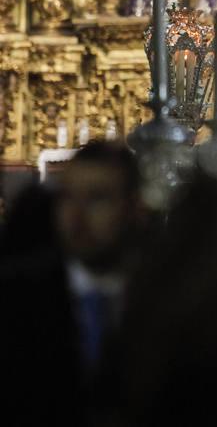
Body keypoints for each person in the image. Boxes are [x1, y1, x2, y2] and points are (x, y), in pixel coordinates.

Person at [0, 141, 145, 427]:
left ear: (133, 207)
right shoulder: (16, 294)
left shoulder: (163, 294)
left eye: (97, 198)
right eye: (67, 197)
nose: (76, 218)